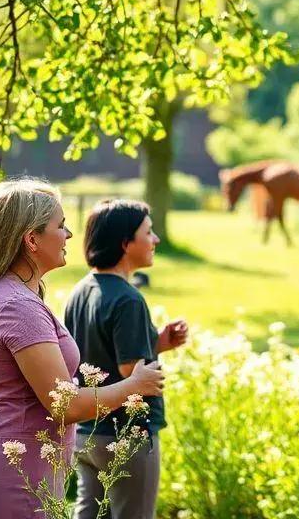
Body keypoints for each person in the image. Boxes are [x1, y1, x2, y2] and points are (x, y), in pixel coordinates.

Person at [0, 180, 164, 519]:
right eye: (60, 226)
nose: (69, 235)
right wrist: (135, 386)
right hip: (11, 476)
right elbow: (65, 406)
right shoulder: (17, 307)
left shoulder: (5, 295)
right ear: (32, 240)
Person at [63, 199, 188, 519]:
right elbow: (131, 372)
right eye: (148, 232)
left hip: (88, 433)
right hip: (126, 435)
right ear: (125, 243)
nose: (156, 240)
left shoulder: (81, 290)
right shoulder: (129, 298)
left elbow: (97, 355)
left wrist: (156, 343)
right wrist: (150, 365)